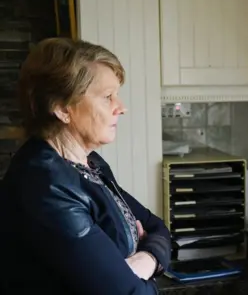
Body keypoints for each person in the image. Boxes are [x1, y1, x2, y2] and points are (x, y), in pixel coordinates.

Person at [0, 38, 171, 294]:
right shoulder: (45, 186)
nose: (121, 108)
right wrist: (142, 269)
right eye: (107, 97)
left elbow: (156, 226)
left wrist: (144, 261)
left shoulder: (89, 164)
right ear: (62, 109)